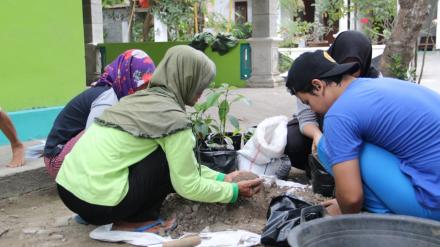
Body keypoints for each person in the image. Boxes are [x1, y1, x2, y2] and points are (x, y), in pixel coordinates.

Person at [55, 45, 263, 232]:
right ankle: (134, 221)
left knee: (167, 155)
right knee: (164, 160)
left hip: (68, 192)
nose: (201, 92)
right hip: (100, 204)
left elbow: (186, 166)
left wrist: (221, 178)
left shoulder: (135, 99)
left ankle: (102, 214)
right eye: (199, 84)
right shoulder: (172, 119)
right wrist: (233, 191)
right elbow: (187, 185)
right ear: (185, 80)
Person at [285, 50, 440, 220]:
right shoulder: (376, 86)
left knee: (326, 146)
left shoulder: (340, 115)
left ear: (318, 86)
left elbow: (352, 198)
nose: (312, 109)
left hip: (432, 208)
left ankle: (383, 220)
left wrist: (345, 209)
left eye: (307, 102)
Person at [43, 49, 155, 178]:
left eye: (149, 84)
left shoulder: (121, 96)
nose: (146, 90)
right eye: (142, 84)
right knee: (106, 130)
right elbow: (92, 142)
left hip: (74, 151)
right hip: (57, 160)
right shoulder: (108, 99)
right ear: (127, 77)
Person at [284, 31, 380, 173]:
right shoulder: (313, 73)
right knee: (293, 141)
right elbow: (306, 118)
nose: (349, 74)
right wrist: (318, 136)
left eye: (355, 67)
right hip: (323, 128)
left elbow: (351, 196)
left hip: (358, 133)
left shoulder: (374, 83)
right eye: (344, 64)